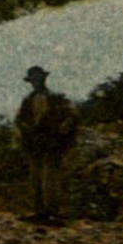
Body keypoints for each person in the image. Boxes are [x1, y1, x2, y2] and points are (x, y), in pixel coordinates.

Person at [15, 65, 79, 221]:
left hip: (51, 140)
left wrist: (65, 126)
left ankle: (53, 211)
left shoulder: (56, 97)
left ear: (44, 79)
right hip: (34, 141)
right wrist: (24, 128)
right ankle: (39, 211)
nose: (36, 82)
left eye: (39, 78)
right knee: (35, 176)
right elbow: (19, 119)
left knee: (51, 176)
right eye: (33, 80)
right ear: (30, 82)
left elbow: (72, 114)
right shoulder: (28, 100)